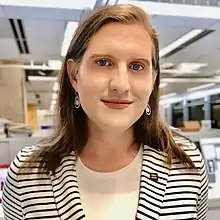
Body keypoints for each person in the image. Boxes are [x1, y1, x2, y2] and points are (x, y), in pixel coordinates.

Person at [2, 4, 208, 220]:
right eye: (103, 62)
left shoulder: (187, 166)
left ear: (153, 79)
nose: (121, 85)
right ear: (74, 75)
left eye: (137, 66)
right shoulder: (27, 175)